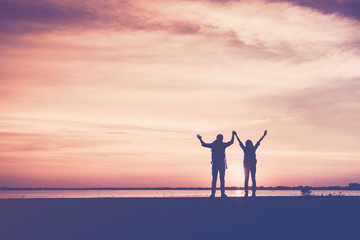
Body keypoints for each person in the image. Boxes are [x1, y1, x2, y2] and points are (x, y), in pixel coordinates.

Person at [197, 131, 235, 198]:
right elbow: (204, 144)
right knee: (219, 179)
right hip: (218, 164)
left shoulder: (215, 145)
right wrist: (233, 135)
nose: (221, 139)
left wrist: (200, 139)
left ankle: (216, 194)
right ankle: (218, 194)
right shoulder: (220, 145)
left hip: (218, 164)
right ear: (219, 138)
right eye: (221, 138)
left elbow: (204, 144)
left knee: (217, 179)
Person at [235, 130, 267, 197]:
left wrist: (236, 135)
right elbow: (259, 141)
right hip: (249, 165)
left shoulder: (246, 149)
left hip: (248, 165)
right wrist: (264, 135)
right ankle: (252, 193)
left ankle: (248, 193)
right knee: (252, 179)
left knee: (248, 179)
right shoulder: (252, 148)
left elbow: (240, 142)